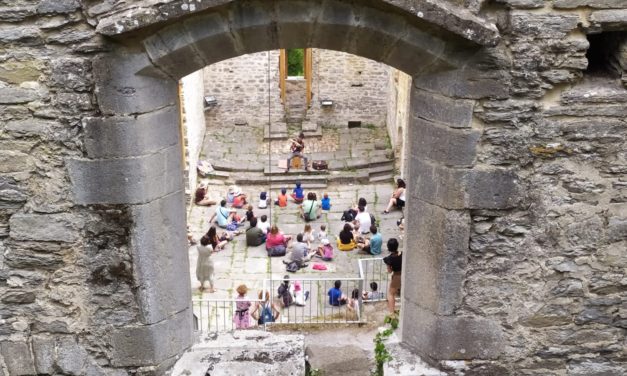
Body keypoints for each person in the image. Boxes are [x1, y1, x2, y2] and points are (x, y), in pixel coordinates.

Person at [383, 238, 402, 314]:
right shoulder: (403, 254)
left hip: (397, 276)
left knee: (391, 294)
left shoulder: (389, 259)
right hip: (404, 275)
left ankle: (391, 313)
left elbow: (389, 271)